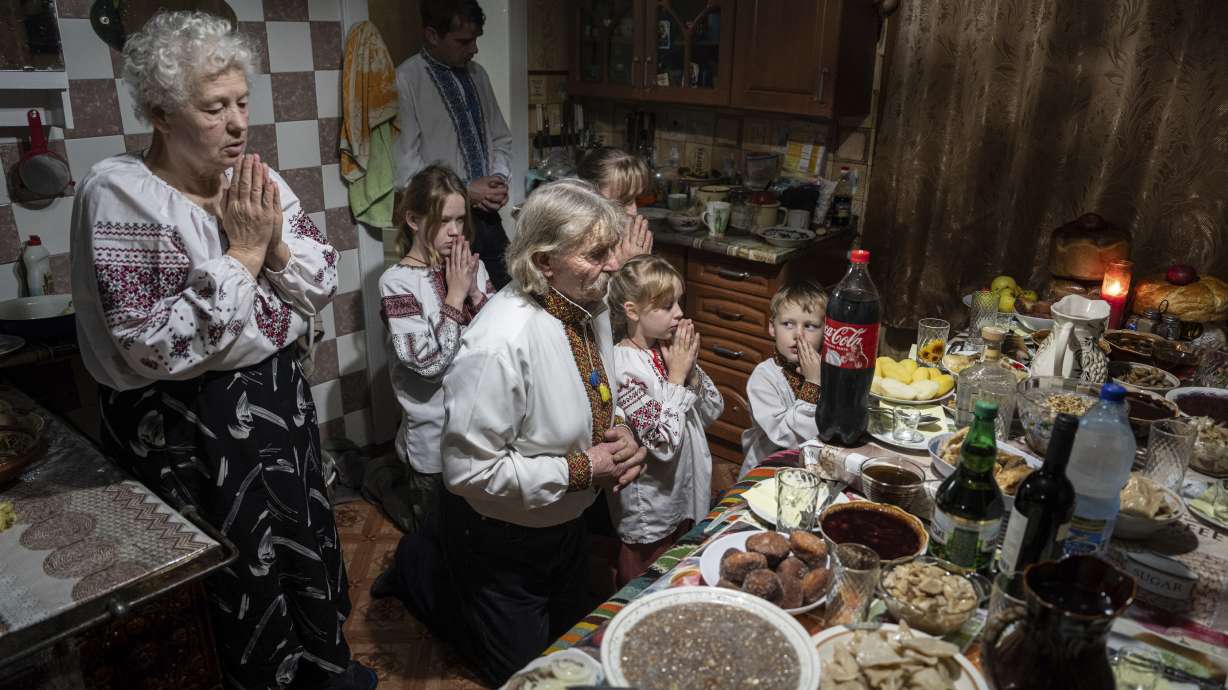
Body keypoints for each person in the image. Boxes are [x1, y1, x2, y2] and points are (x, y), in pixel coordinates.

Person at [69, 12, 373, 690]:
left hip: (274, 404)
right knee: (233, 576)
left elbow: (320, 277)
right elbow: (152, 345)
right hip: (189, 426)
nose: (238, 123)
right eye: (215, 108)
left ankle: (321, 673)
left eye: (242, 102)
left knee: (299, 548)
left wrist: (277, 244)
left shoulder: (252, 179)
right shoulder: (119, 194)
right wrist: (243, 253)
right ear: (159, 112)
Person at [372, 180, 648, 686]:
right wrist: (589, 467)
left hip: (564, 523)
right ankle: (417, 568)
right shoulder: (500, 343)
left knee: (579, 651)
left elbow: (599, 391)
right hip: (500, 537)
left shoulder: (588, 304)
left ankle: (429, 559)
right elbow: (469, 470)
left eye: (613, 249)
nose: (614, 264)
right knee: (523, 674)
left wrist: (625, 433)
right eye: (597, 254)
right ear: (545, 263)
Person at [376, 164, 494, 533]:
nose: (456, 232)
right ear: (413, 219)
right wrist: (456, 296)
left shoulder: (472, 268)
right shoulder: (396, 284)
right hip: (432, 440)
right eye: (445, 221)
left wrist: (475, 291)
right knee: (434, 536)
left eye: (461, 219)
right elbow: (428, 364)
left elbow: (498, 343)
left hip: (480, 432)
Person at [607, 255, 724, 585]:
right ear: (633, 312)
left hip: (683, 493)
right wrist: (676, 377)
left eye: (679, 303)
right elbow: (661, 443)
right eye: (667, 306)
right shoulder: (624, 368)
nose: (679, 314)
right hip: (651, 509)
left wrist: (690, 369)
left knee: (678, 569)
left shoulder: (666, 350)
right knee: (645, 582)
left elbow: (713, 411)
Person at [393, 0, 513, 289]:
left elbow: (501, 138)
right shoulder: (407, 80)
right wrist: (468, 191)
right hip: (439, 224)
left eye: (475, 40)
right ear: (432, 35)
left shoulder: (477, 74)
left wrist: (497, 179)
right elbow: (405, 169)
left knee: (509, 297)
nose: (474, 49)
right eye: (464, 41)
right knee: (453, 309)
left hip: (487, 220)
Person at [740, 283, 828, 477]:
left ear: (826, 331)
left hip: (816, 469)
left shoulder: (828, 371)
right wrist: (813, 384)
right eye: (788, 324)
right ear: (772, 327)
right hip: (769, 471)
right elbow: (786, 437)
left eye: (810, 326)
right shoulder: (764, 377)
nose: (798, 335)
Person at [576, 146, 654, 267]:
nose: (634, 211)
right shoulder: (573, 250)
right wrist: (631, 267)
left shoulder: (627, 244)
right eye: (622, 202)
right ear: (588, 195)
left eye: (636, 199)